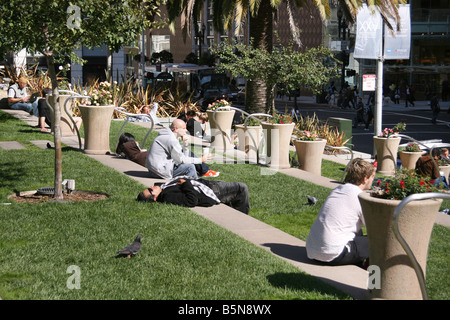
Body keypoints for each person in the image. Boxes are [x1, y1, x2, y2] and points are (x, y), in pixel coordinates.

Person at [306, 158, 376, 267]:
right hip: (332, 254)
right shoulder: (359, 197)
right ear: (365, 179)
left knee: (358, 233)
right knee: (378, 241)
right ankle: (370, 271)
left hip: (312, 250)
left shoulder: (338, 190)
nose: (373, 181)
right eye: (372, 177)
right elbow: (373, 231)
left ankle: (359, 263)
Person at [145, 119, 219, 179]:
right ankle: (195, 186)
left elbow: (183, 157)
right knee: (190, 167)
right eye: (183, 128)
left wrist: (186, 145)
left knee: (189, 165)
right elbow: (181, 160)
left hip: (156, 169)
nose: (186, 131)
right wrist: (200, 160)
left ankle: (192, 182)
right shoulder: (171, 139)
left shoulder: (169, 135)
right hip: (158, 172)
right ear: (176, 129)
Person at [137, 176, 250, 214]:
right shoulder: (168, 197)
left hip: (206, 184)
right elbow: (191, 201)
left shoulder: (163, 189)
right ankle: (243, 217)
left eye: (149, 188)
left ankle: (234, 209)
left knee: (235, 192)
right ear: (155, 198)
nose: (151, 187)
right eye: (150, 191)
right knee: (241, 188)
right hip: (212, 191)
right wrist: (186, 183)